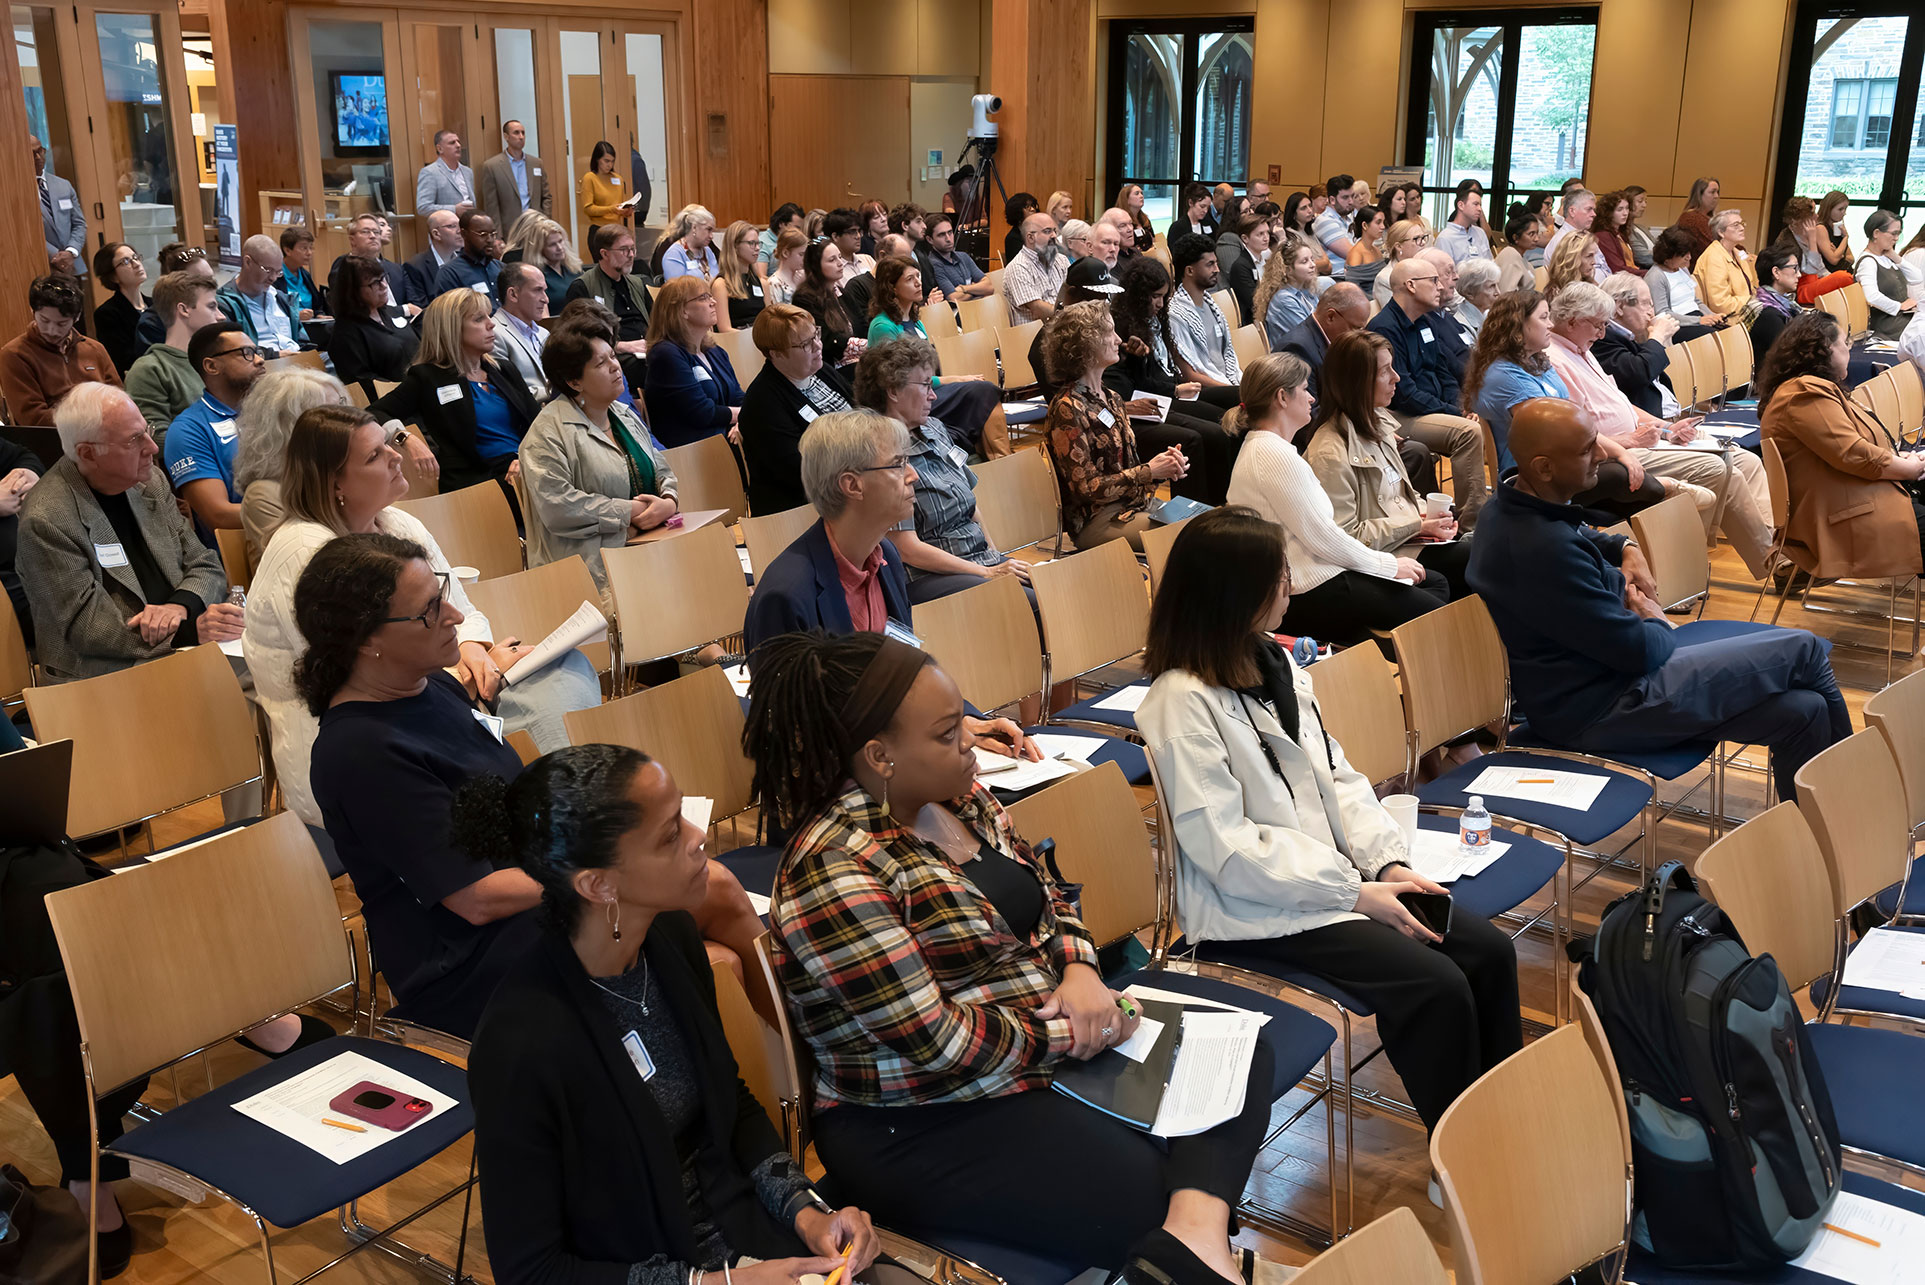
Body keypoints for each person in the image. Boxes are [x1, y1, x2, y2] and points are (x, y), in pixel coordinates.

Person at [748, 629, 1275, 1282]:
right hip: (916, 1115)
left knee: (1238, 1050)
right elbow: (933, 1039)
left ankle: (1192, 1247)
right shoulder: (834, 867)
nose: (970, 741)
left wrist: (1082, 971)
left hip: (1028, 1048)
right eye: (946, 733)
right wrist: (1075, 1029)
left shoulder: (959, 796)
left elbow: (1049, 892)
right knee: (1149, 1190)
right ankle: (1192, 1247)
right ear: (880, 755)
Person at [1139, 507, 1518, 1132]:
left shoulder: (1274, 663)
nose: (1290, 583)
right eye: (1278, 574)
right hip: (1255, 910)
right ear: (1235, 593)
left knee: (1488, 951)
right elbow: (1229, 852)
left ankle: (1498, 1116)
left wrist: (1386, 862)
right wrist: (1358, 893)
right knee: (1435, 986)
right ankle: (1463, 1148)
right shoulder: (1179, 703)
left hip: (1335, 883)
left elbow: (1339, 779)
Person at [461, 741, 886, 1285]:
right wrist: (717, 1284)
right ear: (598, 884)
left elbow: (729, 1103)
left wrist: (807, 1212)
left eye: (683, 815)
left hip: (739, 1228)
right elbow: (532, 1271)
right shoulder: (520, 1040)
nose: (698, 836)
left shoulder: (672, 939)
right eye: (669, 835)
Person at [1471, 397, 1852, 803]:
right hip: (1605, 705)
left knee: (1803, 711)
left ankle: (1820, 833)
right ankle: (1860, 803)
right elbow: (1638, 650)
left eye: (1595, 441)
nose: (1602, 454)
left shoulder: (1513, 506)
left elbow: (1580, 533)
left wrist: (1625, 546)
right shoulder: (1541, 550)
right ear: (1544, 466)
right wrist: (1654, 617)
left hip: (1605, 684)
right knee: (1805, 650)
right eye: (1586, 451)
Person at [256, 405, 593, 845]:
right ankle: (570, 831)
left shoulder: (398, 521)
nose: (397, 457)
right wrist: (467, 676)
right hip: (371, 741)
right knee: (545, 722)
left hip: (440, 692)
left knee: (566, 669)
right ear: (334, 483)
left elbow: (460, 609)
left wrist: (474, 648)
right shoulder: (302, 554)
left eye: (391, 444)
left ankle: (569, 821)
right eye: (375, 456)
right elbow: (355, 677)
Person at [299, 532, 543, 1037]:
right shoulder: (361, 752)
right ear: (365, 639)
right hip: (472, 966)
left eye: (444, 595)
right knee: (691, 919)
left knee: (696, 922)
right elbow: (475, 899)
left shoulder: (430, 686)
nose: (454, 617)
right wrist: (605, 870)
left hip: (530, 905)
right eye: (430, 610)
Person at [1544, 282, 1772, 578]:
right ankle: (1687, 574)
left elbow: (1622, 405)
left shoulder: (1582, 348)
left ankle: (1773, 551)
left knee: (1744, 459)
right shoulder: (1555, 360)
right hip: (1615, 454)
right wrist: (1630, 439)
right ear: (1573, 321)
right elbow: (1578, 435)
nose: (1602, 334)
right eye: (1598, 326)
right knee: (1717, 467)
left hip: (1643, 440)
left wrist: (1666, 428)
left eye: (1604, 326)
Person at [16, 384, 241, 682]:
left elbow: (205, 563)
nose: (153, 447)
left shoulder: (149, 482)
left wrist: (180, 607)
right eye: (135, 440)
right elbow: (88, 627)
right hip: (102, 675)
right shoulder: (46, 519)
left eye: (146, 430)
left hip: (182, 645)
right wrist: (189, 630)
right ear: (88, 453)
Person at [1226, 354, 1446, 642]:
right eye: (1304, 389)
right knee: (1438, 614)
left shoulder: (1270, 449)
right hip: (1304, 589)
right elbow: (1325, 537)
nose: (1312, 399)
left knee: (1435, 584)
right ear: (1282, 397)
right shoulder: (1272, 455)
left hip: (1316, 576)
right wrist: (1388, 565)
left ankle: (1372, 649)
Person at [852, 339, 1029, 604]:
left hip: (977, 562)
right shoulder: (879, 451)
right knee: (1031, 603)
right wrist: (988, 572)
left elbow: (971, 506)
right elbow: (906, 549)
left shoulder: (934, 427)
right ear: (893, 391)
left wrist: (997, 556)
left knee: (1051, 587)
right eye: (925, 385)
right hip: (928, 576)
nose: (933, 394)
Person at [1462, 289, 1661, 520]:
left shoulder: (1539, 361)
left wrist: (1617, 452)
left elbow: (1571, 418)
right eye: (1543, 317)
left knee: (1636, 498)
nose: (1550, 324)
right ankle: (1667, 490)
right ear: (1519, 326)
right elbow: (1556, 432)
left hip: (1562, 462)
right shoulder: (1505, 376)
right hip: (1533, 478)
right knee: (1630, 481)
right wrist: (1618, 453)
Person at [516, 325, 678, 605]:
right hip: (588, 573)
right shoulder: (546, 434)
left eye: (613, 356)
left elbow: (660, 468)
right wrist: (628, 512)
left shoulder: (622, 413)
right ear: (574, 381)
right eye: (602, 363)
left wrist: (669, 500)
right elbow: (558, 507)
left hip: (649, 547)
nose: (616, 367)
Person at [1303, 330, 1470, 596]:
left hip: (1404, 538)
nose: (1397, 377)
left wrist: (1429, 515)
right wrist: (1418, 525)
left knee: (1479, 548)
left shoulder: (1378, 421)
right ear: (1357, 381)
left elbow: (1401, 495)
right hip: (1380, 555)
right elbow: (1347, 536)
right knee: (1476, 560)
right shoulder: (1329, 454)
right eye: (1385, 371)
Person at [1762, 308, 1925, 576]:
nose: (1849, 348)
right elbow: (1853, 453)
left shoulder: (1813, 389)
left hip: (1856, 497)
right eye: (1844, 343)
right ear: (1826, 349)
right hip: (1844, 517)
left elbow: (1856, 447)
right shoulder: (1804, 394)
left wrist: (1903, 460)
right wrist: (1907, 468)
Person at [1044, 301, 1188, 551]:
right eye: (1110, 332)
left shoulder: (1112, 398)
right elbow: (1086, 488)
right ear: (1086, 344)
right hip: (1097, 522)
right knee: (1189, 537)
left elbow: (1128, 470)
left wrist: (1163, 468)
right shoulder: (1067, 408)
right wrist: (1148, 471)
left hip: (1134, 507)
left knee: (1205, 522)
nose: (1119, 339)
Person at [369, 289, 542, 494]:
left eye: (488, 315)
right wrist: (404, 438)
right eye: (479, 319)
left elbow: (538, 424)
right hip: (481, 482)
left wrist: (526, 460)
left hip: (523, 468)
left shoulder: (503, 369)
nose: (491, 323)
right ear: (452, 329)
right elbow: (371, 414)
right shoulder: (427, 377)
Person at [1366, 260, 1487, 527]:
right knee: (1467, 432)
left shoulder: (1425, 321)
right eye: (1433, 280)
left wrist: (1460, 408)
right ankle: (1472, 524)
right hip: (1398, 415)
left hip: (1430, 409)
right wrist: (1456, 414)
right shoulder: (1385, 328)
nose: (1441, 286)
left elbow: (1442, 372)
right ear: (1410, 286)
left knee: (1480, 419)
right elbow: (1404, 394)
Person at [738, 304, 853, 516]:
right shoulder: (763, 404)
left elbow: (861, 413)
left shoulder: (820, 371)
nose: (818, 346)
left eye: (815, 335)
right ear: (776, 354)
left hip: (848, 484)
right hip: (803, 511)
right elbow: (802, 471)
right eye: (805, 344)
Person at [232, 366, 351, 560]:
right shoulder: (264, 496)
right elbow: (318, 566)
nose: (349, 420)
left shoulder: (340, 470)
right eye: (333, 414)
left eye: (343, 406)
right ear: (292, 426)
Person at [162, 320, 266, 532]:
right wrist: (296, 513)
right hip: (248, 544)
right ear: (211, 366)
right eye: (246, 353)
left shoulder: (273, 409)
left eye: (257, 352)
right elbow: (219, 515)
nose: (259, 360)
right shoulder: (188, 429)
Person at [0, 275, 121, 427]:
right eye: (44, 320)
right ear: (32, 312)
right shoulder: (15, 354)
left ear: (76, 318)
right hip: (53, 442)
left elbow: (119, 398)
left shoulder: (94, 349)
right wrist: (92, 418)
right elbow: (33, 420)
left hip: (105, 433)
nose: (52, 330)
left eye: (62, 323)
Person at [643, 276, 743, 448]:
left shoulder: (715, 351)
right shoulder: (665, 355)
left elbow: (739, 397)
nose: (714, 302)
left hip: (725, 440)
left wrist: (743, 421)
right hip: (695, 451)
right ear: (682, 310)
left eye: (711, 296)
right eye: (704, 297)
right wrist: (744, 415)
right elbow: (701, 412)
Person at [123, 270, 217, 444]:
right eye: (211, 307)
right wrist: (217, 440)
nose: (221, 315)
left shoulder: (216, 361)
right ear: (184, 309)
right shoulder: (150, 369)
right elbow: (154, 438)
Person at [564, 224, 653, 391]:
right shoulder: (583, 287)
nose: (631, 255)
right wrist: (622, 346)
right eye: (624, 250)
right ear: (604, 253)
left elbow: (656, 321)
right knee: (644, 367)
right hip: (613, 356)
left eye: (633, 249)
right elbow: (578, 338)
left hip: (646, 351)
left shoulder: (638, 283)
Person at [1595, 272, 1684, 418]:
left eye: (1652, 305)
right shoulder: (1602, 338)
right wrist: (1657, 336)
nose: (1651, 312)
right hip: (1648, 426)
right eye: (1645, 303)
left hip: (1668, 420)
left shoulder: (1631, 335)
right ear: (1619, 307)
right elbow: (1638, 373)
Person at [329, 255, 420, 394]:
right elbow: (361, 381)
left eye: (383, 278)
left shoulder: (390, 312)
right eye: (375, 283)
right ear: (353, 291)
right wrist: (407, 390)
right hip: (389, 401)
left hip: (418, 389)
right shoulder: (346, 332)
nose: (384, 286)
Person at [1166, 235, 1241, 391]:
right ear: (1190, 270)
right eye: (1210, 265)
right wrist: (1234, 391)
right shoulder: (1175, 315)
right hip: (1209, 392)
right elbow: (1189, 375)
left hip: (1228, 385)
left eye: (1216, 263)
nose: (1217, 270)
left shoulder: (1213, 306)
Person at [216, 235, 309, 356]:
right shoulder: (225, 303)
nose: (273, 278)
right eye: (268, 270)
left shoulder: (281, 298)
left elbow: (302, 341)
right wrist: (275, 355)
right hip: (262, 367)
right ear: (247, 262)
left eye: (278, 272)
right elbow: (233, 350)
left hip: (296, 361)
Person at [793, 238, 863, 370]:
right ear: (816, 266)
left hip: (859, 361)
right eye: (832, 260)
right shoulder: (805, 298)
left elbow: (863, 325)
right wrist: (868, 345)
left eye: (840, 257)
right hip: (831, 366)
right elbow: (828, 341)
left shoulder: (843, 293)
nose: (840, 263)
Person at [330, 212, 414, 318]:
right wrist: (403, 310)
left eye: (376, 232)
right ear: (352, 240)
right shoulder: (344, 265)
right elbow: (356, 309)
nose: (373, 236)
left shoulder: (396, 268)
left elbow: (414, 301)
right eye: (366, 232)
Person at [478, 118, 552, 233]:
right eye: (516, 133)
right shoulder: (492, 166)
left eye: (523, 133)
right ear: (506, 136)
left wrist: (545, 222)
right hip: (510, 229)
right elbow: (492, 206)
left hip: (536, 227)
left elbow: (546, 197)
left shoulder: (536, 163)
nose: (521, 137)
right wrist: (497, 235)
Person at [1689, 210, 1760, 328]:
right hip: (1728, 320)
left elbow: (1751, 288)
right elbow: (1720, 303)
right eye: (1736, 225)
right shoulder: (1714, 257)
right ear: (1721, 232)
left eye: (1742, 223)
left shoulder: (1737, 253)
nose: (1742, 228)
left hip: (1745, 313)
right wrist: (1753, 302)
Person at [1644, 227, 1721, 336]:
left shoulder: (1682, 269)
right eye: (1683, 254)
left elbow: (1695, 301)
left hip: (1696, 318)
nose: (1689, 257)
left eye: (1689, 252)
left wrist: (1713, 316)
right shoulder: (1655, 277)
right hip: (1677, 325)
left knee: (1729, 331)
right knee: (1715, 337)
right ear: (1669, 254)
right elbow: (1663, 313)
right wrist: (1698, 320)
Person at [91, 241, 150, 377]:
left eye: (135, 257)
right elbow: (122, 360)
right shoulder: (107, 314)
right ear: (113, 276)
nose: (136, 264)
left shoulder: (156, 305)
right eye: (126, 262)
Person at [1856, 210, 1917, 341]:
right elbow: (1871, 296)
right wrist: (1899, 306)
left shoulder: (1887, 256)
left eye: (1899, 234)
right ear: (1876, 233)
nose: (1896, 238)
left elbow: (1917, 277)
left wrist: (1895, 257)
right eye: (1894, 233)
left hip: (1901, 319)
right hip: (1887, 325)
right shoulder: (1868, 261)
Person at [32, 134, 85, 278]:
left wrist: (71, 251)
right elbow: (26, 231)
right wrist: (55, 255)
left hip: (73, 264)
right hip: (43, 267)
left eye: (40, 151)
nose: (38, 158)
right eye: (31, 154)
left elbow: (79, 224)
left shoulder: (63, 185)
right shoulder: (18, 190)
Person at [1256, 236, 1322, 350]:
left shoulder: (1306, 291)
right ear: (1288, 270)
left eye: (1312, 259)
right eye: (1304, 261)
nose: (1313, 265)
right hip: (1291, 360)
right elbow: (1312, 334)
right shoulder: (1284, 300)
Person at [1005, 212, 1069, 325]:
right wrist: (1071, 313)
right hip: (1036, 335)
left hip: (1061, 326)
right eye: (1047, 231)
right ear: (1030, 237)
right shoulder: (1018, 267)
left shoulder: (1061, 260)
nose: (1054, 235)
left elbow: (1072, 293)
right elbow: (1037, 309)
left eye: (1054, 230)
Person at [431, 209, 503, 302]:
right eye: (483, 234)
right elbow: (449, 314)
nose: (489, 240)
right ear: (464, 234)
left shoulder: (501, 268)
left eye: (493, 234)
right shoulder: (450, 274)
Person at [517, 215, 582, 315]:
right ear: (539, 249)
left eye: (560, 241)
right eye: (552, 245)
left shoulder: (574, 268)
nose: (559, 247)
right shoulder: (536, 276)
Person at [577, 141, 631, 259]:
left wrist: (626, 211)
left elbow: (620, 204)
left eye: (612, 161)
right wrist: (612, 209)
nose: (609, 165)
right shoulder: (590, 178)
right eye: (606, 161)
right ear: (597, 159)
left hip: (617, 230)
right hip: (599, 230)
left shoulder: (618, 178)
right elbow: (588, 208)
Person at [1752, 244, 1806, 359]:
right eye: (1794, 268)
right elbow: (1788, 357)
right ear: (1776, 272)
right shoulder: (1768, 315)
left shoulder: (1784, 305)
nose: (1799, 275)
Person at [924, 212, 992, 301]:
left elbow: (989, 287)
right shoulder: (933, 264)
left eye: (950, 232)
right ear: (930, 240)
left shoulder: (963, 256)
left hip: (976, 309)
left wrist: (964, 288)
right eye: (941, 235)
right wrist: (977, 290)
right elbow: (954, 298)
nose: (948, 239)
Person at [719, 219, 773, 326]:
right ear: (735, 246)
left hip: (759, 339)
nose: (757, 248)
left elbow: (769, 323)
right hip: (735, 340)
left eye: (758, 243)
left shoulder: (762, 283)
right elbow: (725, 329)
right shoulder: (722, 285)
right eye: (751, 243)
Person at [1218, 213, 1269, 326]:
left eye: (1267, 233)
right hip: (1252, 324)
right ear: (1245, 238)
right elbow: (1254, 302)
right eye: (1260, 234)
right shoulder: (1240, 266)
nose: (1266, 238)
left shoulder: (1265, 259)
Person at [415, 129, 476, 218]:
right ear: (440, 148)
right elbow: (423, 207)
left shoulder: (468, 172)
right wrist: (454, 209)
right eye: (452, 143)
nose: (458, 145)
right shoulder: (430, 172)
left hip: (468, 227)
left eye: (458, 142)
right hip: (445, 228)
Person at [278, 225, 326, 322]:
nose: (309, 253)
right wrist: (295, 315)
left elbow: (317, 305)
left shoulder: (305, 275)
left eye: (311, 248)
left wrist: (319, 315)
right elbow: (272, 309)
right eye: (304, 248)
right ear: (287, 250)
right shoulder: (275, 276)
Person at [662, 204, 722, 282]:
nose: (711, 236)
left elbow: (717, 280)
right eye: (708, 230)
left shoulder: (708, 251)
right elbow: (678, 291)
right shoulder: (674, 254)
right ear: (694, 228)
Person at [1438, 180, 1490, 264]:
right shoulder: (1445, 238)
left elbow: (1490, 265)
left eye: (1480, 205)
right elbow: (1445, 273)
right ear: (1461, 205)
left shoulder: (1480, 233)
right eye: (1475, 204)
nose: (1480, 209)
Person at [1342, 206, 1388, 298]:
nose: (1383, 227)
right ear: (1365, 225)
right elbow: (1353, 290)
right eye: (1378, 222)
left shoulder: (1376, 250)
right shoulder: (1356, 254)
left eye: (1383, 222)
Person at [1673, 177, 1719, 265]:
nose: (1716, 196)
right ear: (1699, 195)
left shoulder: (1709, 218)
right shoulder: (1692, 218)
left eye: (1717, 192)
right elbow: (1713, 249)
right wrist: (1741, 254)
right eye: (1712, 192)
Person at [1312, 174, 1359, 262]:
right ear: (1332, 200)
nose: (1351, 201)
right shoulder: (1324, 221)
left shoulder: (1349, 218)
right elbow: (1352, 255)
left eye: (1352, 196)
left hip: (1353, 272)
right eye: (1345, 197)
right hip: (1339, 274)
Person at [1495, 208, 1542, 292]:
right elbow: (1506, 295)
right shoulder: (1510, 255)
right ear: (1516, 237)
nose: (1536, 239)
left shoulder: (1521, 257)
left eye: (1537, 233)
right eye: (1531, 234)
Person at [757, 202, 806, 279]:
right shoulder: (763, 243)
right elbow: (761, 278)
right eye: (796, 228)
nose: (799, 232)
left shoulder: (794, 242)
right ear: (781, 224)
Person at [1454, 258, 1501, 336]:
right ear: (1469, 293)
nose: (1498, 292)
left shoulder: (1489, 315)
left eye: (1497, 285)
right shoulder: (1461, 325)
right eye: (1491, 286)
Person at [1621, 186, 1657, 270]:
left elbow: (1659, 246)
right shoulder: (1625, 232)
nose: (1644, 205)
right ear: (1628, 203)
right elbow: (1644, 257)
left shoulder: (1641, 228)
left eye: (1645, 201)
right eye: (1640, 201)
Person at [1168, 183, 1215, 247]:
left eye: (1208, 207)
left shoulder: (1210, 224)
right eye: (1202, 206)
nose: (1205, 211)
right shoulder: (1177, 227)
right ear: (1191, 203)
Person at [1001, 191, 1040, 266]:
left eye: (1033, 206)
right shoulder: (1013, 238)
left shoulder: (1038, 231)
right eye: (1027, 207)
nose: (1032, 209)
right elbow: (1022, 264)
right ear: (1017, 212)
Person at [1115, 183, 1156, 254]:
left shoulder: (1145, 220)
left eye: (1142, 193)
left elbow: (1153, 240)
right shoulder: (1119, 220)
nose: (1141, 196)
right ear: (1126, 199)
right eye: (1137, 194)